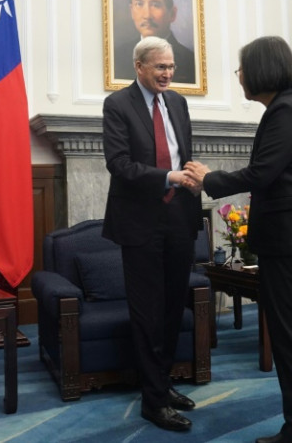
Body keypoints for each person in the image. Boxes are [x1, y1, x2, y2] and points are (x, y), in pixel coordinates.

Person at [184, 36, 292, 443]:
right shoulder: (282, 109)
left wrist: (208, 179)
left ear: (263, 69)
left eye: (242, 69)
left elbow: (261, 173)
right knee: (287, 342)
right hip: (286, 242)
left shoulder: (287, 111)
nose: (240, 77)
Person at [102, 36, 202, 432]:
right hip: (140, 222)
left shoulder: (177, 102)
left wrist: (190, 175)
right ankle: (153, 402)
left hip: (180, 215)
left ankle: (163, 385)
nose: (168, 73)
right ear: (139, 67)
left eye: (172, 66)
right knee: (148, 314)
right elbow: (119, 164)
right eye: (160, 67)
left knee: (174, 308)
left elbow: (181, 152)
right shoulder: (118, 104)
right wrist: (167, 177)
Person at [114, 0, 196, 84]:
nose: (147, 15)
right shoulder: (118, 55)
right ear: (131, 11)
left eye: (155, 5)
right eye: (139, 4)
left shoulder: (190, 61)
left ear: (172, 14)